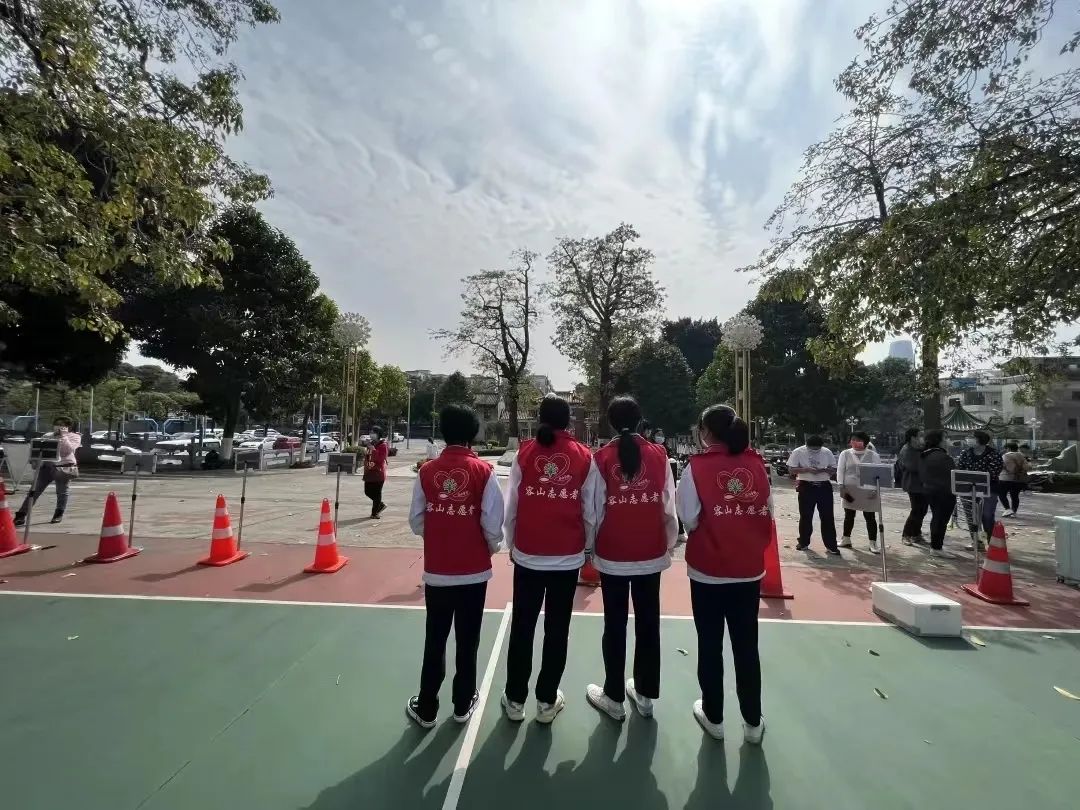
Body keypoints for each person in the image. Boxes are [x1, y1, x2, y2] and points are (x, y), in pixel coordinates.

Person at [501, 394, 601, 724]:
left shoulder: (525, 453)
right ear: (568, 420)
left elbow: (512, 505)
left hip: (528, 555)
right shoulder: (583, 455)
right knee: (557, 630)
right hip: (566, 557)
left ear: (540, 418)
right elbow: (590, 510)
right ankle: (546, 702)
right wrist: (587, 548)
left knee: (523, 627)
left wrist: (512, 543)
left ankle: (515, 700)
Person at [677, 404, 770, 744]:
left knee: (710, 644)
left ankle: (713, 716)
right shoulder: (757, 464)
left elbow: (688, 516)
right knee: (747, 647)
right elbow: (767, 510)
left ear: (706, 432)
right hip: (748, 570)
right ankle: (753, 722)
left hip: (708, 570)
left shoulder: (697, 467)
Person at [405, 404, 504, 728]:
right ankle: (463, 702)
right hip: (474, 573)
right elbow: (493, 524)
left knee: (435, 639)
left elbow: (416, 520)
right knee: (468, 638)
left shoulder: (426, 472)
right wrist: (488, 548)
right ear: (473, 434)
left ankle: (427, 707)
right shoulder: (484, 472)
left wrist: (439, 535)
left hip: (438, 572)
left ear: (443, 432)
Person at [585, 396, 678, 722]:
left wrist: (589, 548)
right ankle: (645, 695)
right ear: (641, 421)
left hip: (613, 553)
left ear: (611, 423)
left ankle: (613, 697)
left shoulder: (601, 458)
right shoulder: (659, 455)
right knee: (648, 623)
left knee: (614, 624)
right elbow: (668, 506)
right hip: (650, 553)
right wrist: (666, 544)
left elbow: (593, 510)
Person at [14, 417, 81, 526]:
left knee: (62, 492)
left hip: (62, 467)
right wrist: (34, 461)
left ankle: (58, 513)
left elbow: (67, 450)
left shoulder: (74, 437)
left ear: (68, 427)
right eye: (57, 424)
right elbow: (38, 449)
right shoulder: (48, 435)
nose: (59, 427)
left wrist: (63, 436)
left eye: (62, 425)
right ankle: (21, 514)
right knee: (34, 491)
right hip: (46, 467)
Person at [786, 435, 838, 554]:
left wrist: (824, 470)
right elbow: (791, 469)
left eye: (817, 449)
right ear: (806, 445)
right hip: (806, 485)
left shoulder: (826, 452)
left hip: (824, 485)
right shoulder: (798, 451)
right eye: (812, 449)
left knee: (827, 516)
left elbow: (833, 469)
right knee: (806, 515)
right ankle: (803, 542)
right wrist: (806, 469)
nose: (815, 451)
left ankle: (831, 545)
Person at [836, 431, 882, 552]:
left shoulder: (873, 455)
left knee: (870, 516)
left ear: (865, 442)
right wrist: (841, 486)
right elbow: (840, 470)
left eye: (858, 440)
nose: (855, 442)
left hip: (868, 490)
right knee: (849, 515)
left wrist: (875, 489)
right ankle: (846, 539)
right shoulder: (845, 454)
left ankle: (873, 543)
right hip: (849, 489)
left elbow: (877, 473)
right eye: (853, 440)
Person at [957, 430, 1003, 550]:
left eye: (971, 437)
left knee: (987, 516)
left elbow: (993, 473)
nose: (968, 439)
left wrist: (972, 476)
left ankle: (992, 543)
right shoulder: (966, 453)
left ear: (980, 439)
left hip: (989, 490)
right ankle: (977, 542)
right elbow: (960, 469)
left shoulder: (994, 454)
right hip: (968, 490)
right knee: (972, 517)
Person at [918, 429, 955, 557]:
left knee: (937, 518)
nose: (947, 441)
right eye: (945, 438)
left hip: (929, 490)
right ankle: (936, 547)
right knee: (941, 520)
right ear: (938, 441)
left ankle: (935, 546)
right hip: (944, 492)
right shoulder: (942, 457)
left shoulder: (925, 454)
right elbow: (953, 474)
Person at [895, 427, 928, 545]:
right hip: (912, 484)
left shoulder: (920, 449)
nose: (922, 438)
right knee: (916, 510)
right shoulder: (907, 449)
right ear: (913, 437)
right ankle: (906, 534)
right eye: (920, 435)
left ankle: (916, 533)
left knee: (923, 510)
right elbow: (912, 466)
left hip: (922, 485)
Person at [999, 441, 1030, 517]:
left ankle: (1007, 509)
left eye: (1005, 448)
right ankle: (1014, 512)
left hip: (1006, 478)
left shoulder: (1005, 456)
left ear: (1008, 448)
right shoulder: (1022, 456)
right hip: (1019, 479)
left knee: (1001, 494)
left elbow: (1002, 466)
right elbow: (1027, 467)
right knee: (1015, 496)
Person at [364, 427, 389, 519]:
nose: (371, 434)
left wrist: (373, 449)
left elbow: (380, 459)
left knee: (377, 493)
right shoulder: (371, 444)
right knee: (367, 492)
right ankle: (380, 504)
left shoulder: (383, 445)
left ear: (378, 434)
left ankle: (374, 513)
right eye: (370, 432)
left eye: (373, 433)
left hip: (378, 473)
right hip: (370, 471)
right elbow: (368, 456)